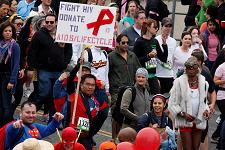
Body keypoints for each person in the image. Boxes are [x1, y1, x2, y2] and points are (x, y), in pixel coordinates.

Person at [28, 13, 72, 121]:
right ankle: (29, 113)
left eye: (51, 22)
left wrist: (64, 63)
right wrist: (32, 67)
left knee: (55, 96)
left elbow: (68, 50)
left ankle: (52, 120)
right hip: (44, 70)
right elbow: (32, 51)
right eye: (47, 22)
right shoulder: (39, 35)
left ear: (56, 22)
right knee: (43, 93)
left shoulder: (63, 34)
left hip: (58, 70)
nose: (49, 24)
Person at [168, 56, 210, 150]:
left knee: (195, 148)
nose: (191, 70)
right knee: (187, 148)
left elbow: (204, 102)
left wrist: (206, 110)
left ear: (197, 69)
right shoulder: (178, 82)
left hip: (198, 120)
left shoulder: (204, 83)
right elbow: (172, 103)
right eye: (188, 68)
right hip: (185, 120)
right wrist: (182, 113)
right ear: (185, 69)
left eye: (193, 68)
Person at [54, 73, 104, 149]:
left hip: (86, 135)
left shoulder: (95, 101)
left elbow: (102, 113)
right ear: (81, 85)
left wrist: (102, 90)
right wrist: (77, 67)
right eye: (87, 84)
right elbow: (70, 80)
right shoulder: (74, 95)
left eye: (93, 85)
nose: (90, 87)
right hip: (72, 134)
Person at [108, 33, 141, 140]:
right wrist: (108, 89)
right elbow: (107, 73)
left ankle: (124, 139)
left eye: (127, 42)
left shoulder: (132, 55)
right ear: (117, 43)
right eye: (123, 43)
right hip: (116, 91)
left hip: (130, 90)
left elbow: (138, 71)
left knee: (128, 115)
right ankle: (114, 139)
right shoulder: (111, 56)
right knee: (116, 115)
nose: (126, 45)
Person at [133, 18, 168, 94]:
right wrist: (148, 56)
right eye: (154, 27)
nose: (156, 29)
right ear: (148, 28)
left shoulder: (154, 41)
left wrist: (165, 45)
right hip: (142, 76)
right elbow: (135, 60)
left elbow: (163, 59)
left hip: (152, 75)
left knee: (156, 97)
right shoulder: (139, 41)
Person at [0, 21, 20, 127]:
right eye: (5, 31)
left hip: (8, 77)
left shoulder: (15, 46)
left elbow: (16, 64)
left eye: (10, 31)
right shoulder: (0, 44)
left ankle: (6, 125)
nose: (8, 33)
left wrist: (12, 81)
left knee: (6, 103)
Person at [155, 17, 176, 94]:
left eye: (170, 26)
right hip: (158, 74)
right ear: (162, 26)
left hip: (169, 75)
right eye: (166, 26)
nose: (168, 28)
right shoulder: (156, 40)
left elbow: (173, 57)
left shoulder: (173, 41)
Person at [210, 61, 225, 145]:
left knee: (223, 117)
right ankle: (216, 136)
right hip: (222, 96)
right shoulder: (221, 67)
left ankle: (217, 136)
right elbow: (215, 81)